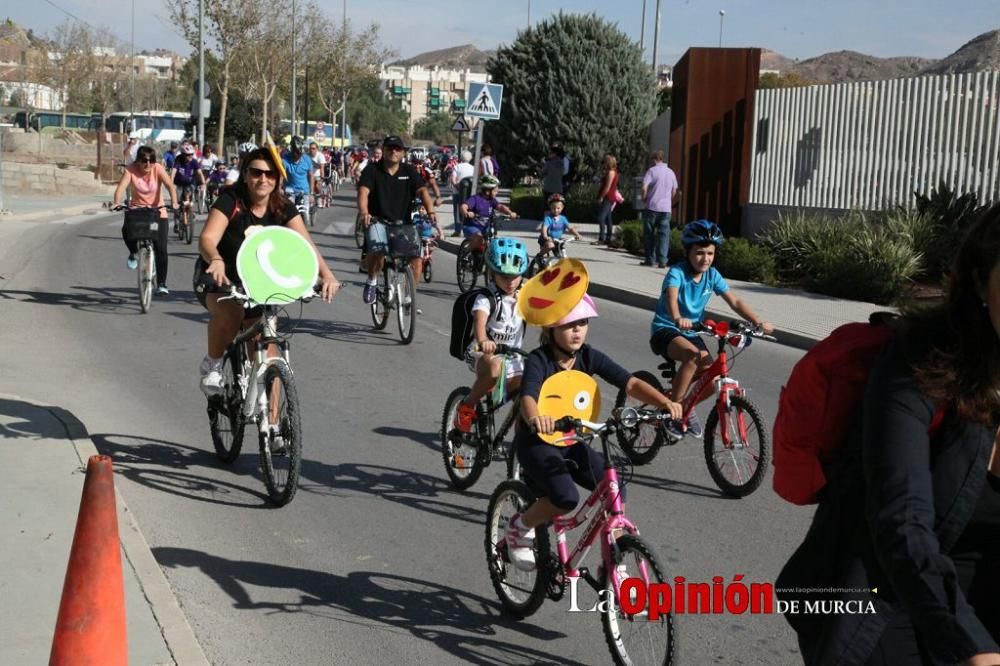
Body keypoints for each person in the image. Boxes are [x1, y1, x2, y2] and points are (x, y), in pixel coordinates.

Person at [777, 204, 1000, 666]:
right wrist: (973, 648)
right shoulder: (917, 364)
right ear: (981, 281)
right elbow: (902, 522)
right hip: (886, 600)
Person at [505, 292, 683, 570]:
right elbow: (528, 395)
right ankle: (519, 526)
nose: (577, 330)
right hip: (536, 441)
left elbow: (630, 383)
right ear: (551, 328)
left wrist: (665, 402)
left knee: (615, 491)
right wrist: (536, 417)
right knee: (566, 498)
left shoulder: (588, 356)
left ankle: (614, 562)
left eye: (583, 323)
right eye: (569, 324)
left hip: (571, 440)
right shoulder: (539, 360)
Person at [196, 147, 341, 397]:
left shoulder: (282, 207)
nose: (263, 179)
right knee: (231, 313)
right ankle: (214, 363)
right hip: (222, 276)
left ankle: (274, 431)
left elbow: (306, 245)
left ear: (277, 179)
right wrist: (216, 259)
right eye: (256, 173)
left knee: (268, 356)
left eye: (270, 174)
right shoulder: (230, 200)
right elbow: (207, 239)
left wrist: (326, 275)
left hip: (260, 281)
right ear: (245, 175)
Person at [649, 220, 773, 438]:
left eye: (710, 253)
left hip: (692, 332)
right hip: (666, 329)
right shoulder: (677, 272)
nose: (705, 258)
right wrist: (678, 317)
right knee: (692, 356)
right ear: (687, 252)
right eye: (699, 253)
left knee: (713, 377)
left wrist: (757, 322)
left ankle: (687, 406)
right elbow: (671, 295)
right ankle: (674, 412)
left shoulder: (712, 275)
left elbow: (734, 302)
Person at [452, 237, 530, 433]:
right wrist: (484, 341)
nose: (511, 282)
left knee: (531, 386)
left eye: (515, 276)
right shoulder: (486, 298)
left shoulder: (525, 297)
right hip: (481, 353)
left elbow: (545, 317)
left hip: (513, 356)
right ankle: (467, 405)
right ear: (492, 274)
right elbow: (480, 322)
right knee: (495, 367)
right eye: (504, 276)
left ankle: (523, 438)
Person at [357, 135, 437, 308]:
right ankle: (371, 281)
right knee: (378, 249)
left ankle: (409, 296)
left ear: (403, 152)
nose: (393, 151)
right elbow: (363, 193)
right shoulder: (372, 170)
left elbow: (423, 191)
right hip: (378, 220)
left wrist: (430, 210)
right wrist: (364, 212)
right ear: (384, 150)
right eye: (390, 148)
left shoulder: (409, 171)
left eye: (397, 149)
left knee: (416, 257)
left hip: (403, 224)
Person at [112, 145, 179, 295]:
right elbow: (121, 187)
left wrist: (174, 202)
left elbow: (170, 185)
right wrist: (116, 202)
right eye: (144, 161)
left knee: (160, 248)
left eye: (151, 160)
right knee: (126, 230)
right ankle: (133, 252)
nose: (148, 164)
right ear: (138, 161)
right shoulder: (131, 169)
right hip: (137, 211)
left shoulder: (158, 168)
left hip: (157, 212)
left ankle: (162, 284)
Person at [459, 175, 518, 253]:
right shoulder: (475, 199)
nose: (497, 192)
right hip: (471, 227)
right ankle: (465, 253)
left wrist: (510, 213)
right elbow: (464, 206)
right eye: (495, 191)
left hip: (486, 229)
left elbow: (500, 207)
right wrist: (466, 212)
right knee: (479, 239)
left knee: (495, 241)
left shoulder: (492, 201)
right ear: (487, 191)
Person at [641, 150, 679, 268]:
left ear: (654, 159)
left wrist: (644, 198)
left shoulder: (651, 171)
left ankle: (650, 259)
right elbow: (674, 190)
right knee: (664, 235)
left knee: (649, 234)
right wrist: (668, 200)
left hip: (652, 206)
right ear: (662, 159)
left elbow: (644, 187)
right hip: (666, 208)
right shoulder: (671, 172)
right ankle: (662, 261)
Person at [171, 144, 205, 230]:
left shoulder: (194, 161)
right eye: (188, 155)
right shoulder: (178, 160)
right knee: (177, 203)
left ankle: (191, 211)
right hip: (178, 183)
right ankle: (176, 222)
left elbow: (200, 173)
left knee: (188, 199)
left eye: (191, 154)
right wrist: (171, 184)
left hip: (189, 183)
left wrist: (203, 183)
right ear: (183, 154)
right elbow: (173, 172)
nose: (190, 156)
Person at [594, 154, 619, 246]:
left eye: (604, 162)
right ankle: (608, 238)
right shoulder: (612, 172)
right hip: (610, 197)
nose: (603, 164)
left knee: (601, 217)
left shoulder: (611, 173)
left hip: (607, 197)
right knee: (608, 218)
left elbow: (607, 187)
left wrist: (601, 196)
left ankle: (602, 238)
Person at [450, 150, 475, 236]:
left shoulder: (457, 167)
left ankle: (457, 230)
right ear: (470, 158)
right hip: (469, 194)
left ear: (461, 157)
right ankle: (468, 229)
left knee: (457, 211)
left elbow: (453, 180)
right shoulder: (473, 168)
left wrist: (459, 188)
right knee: (469, 210)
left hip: (457, 192)